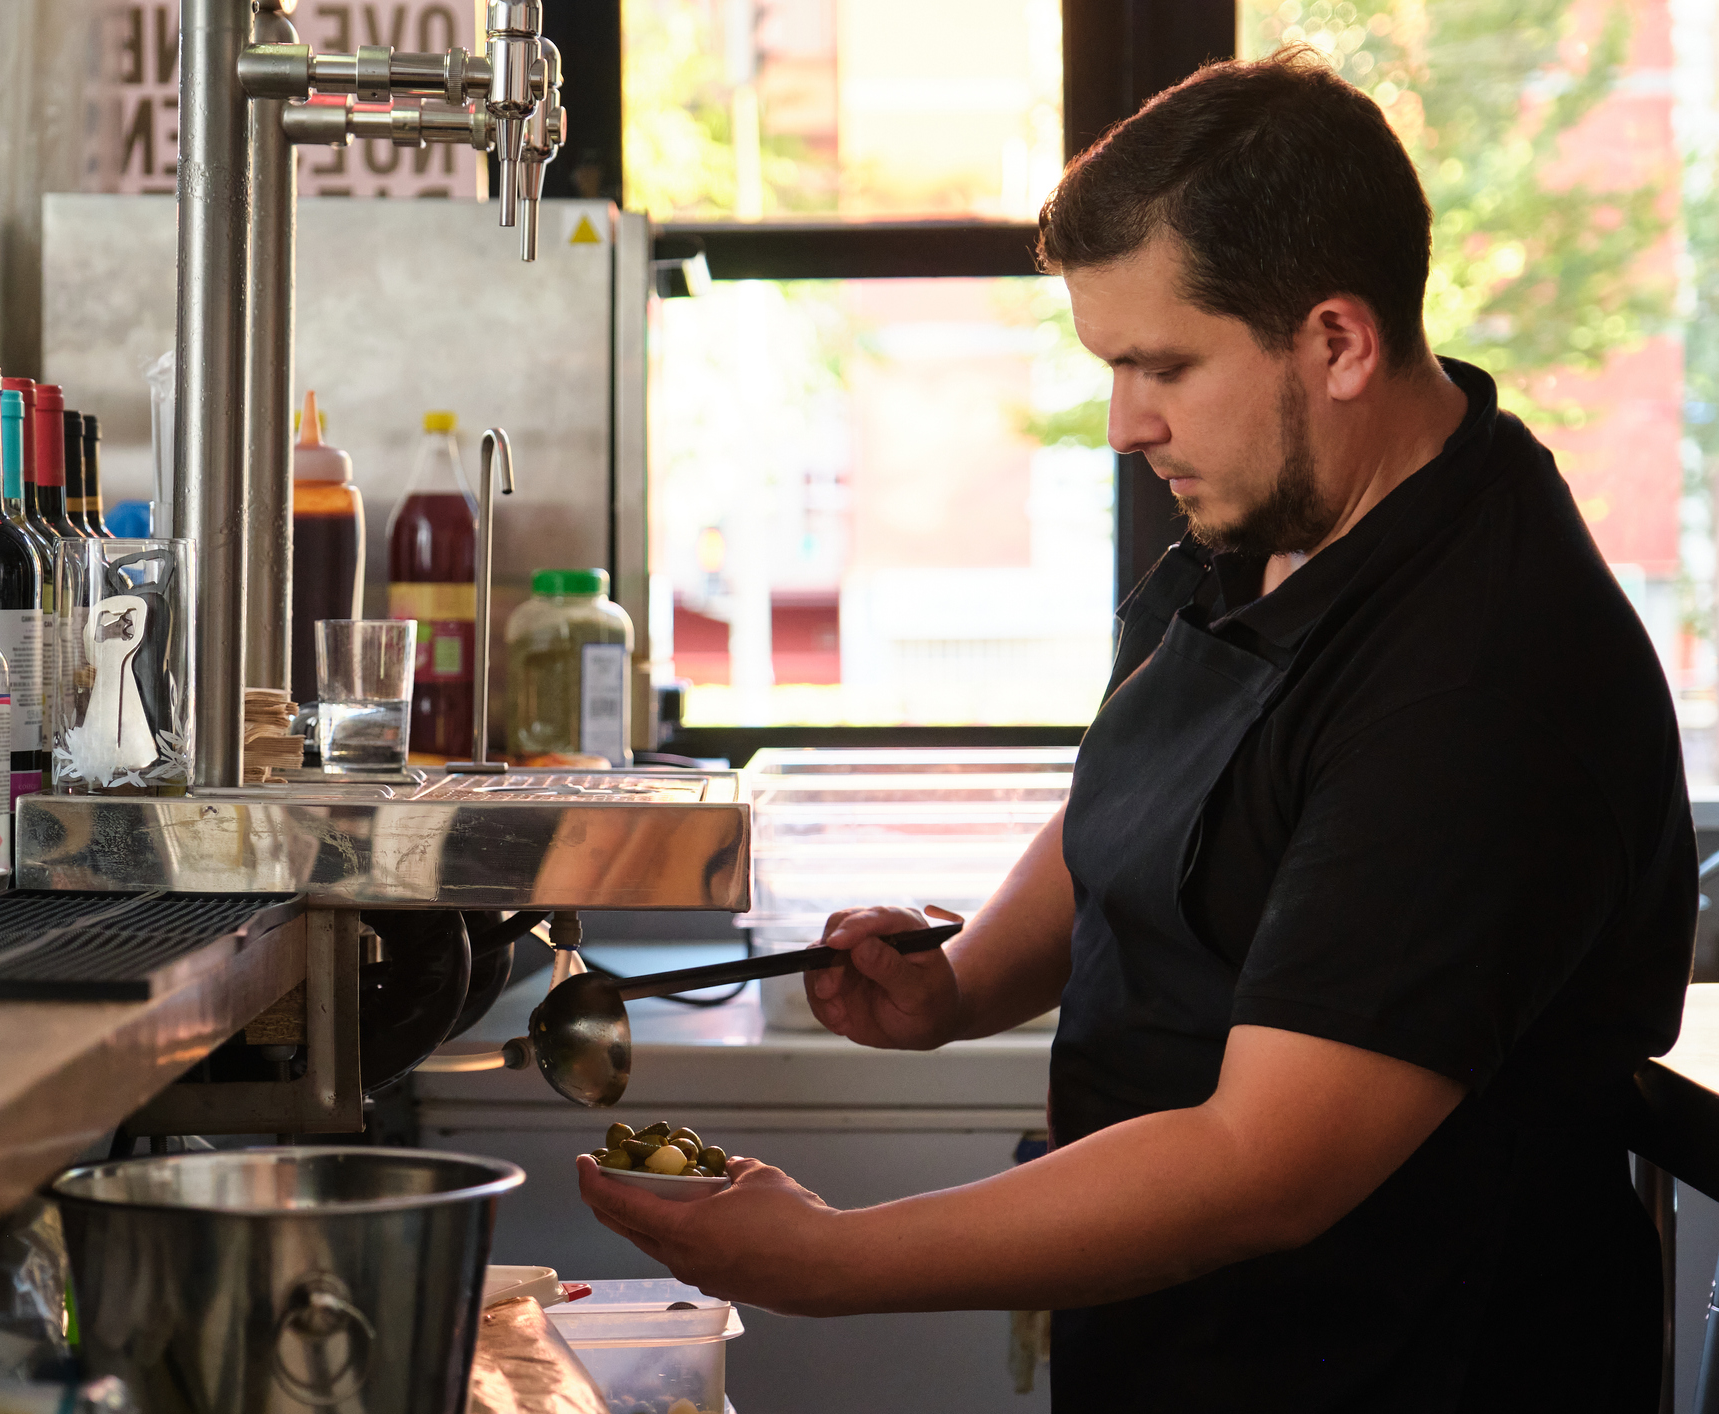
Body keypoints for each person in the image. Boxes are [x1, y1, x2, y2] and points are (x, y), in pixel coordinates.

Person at [577, 46, 1696, 1412]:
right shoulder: (1278, 513)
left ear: (1336, 341)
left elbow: (1260, 1165)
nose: (1123, 424)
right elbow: (1156, 782)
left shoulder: (1481, 679)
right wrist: (966, 981)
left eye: (1159, 364)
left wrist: (824, 1259)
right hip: (1186, 1348)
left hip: (1395, 1362)